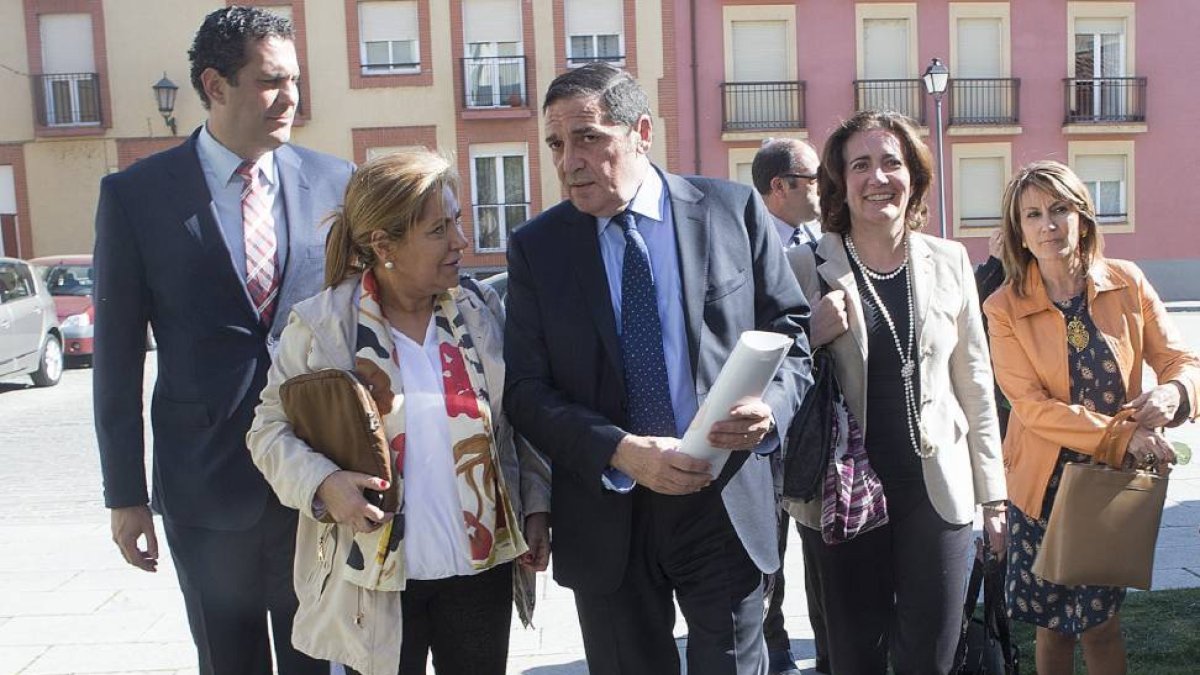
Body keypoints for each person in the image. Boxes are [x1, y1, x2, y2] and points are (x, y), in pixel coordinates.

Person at [503, 63, 812, 675]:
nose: (569, 161)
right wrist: (620, 450)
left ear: (641, 130)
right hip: (608, 510)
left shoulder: (732, 210)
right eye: (556, 144)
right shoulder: (538, 247)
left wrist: (769, 411)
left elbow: (792, 336)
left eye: (589, 137)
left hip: (721, 498)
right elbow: (528, 392)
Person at [92, 7, 353, 674]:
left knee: (316, 663)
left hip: (313, 484)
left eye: (294, 79)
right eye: (270, 81)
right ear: (214, 84)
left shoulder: (334, 183)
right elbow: (116, 359)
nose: (290, 97)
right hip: (204, 488)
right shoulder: (136, 196)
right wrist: (126, 495)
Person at [246, 150, 551, 675]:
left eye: (457, 221)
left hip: (481, 571)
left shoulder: (481, 315)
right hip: (378, 584)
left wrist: (536, 505)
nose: (460, 241)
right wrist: (323, 484)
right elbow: (267, 431)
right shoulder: (324, 328)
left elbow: (516, 424)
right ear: (385, 246)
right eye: (438, 229)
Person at [783, 109, 1007, 675]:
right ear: (839, 182)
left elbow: (976, 385)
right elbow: (769, 371)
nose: (877, 177)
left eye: (892, 163)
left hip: (937, 488)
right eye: (861, 165)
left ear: (915, 176)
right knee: (855, 658)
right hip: (843, 491)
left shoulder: (950, 259)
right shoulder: (804, 266)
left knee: (930, 657)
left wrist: (994, 498)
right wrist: (812, 333)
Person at [982, 160, 1199, 675]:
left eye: (1059, 209)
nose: (1047, 224)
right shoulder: (1003, 307)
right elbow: (1031, 407)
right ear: (1019, 231)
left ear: (1082, 216)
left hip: (1111, 486)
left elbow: (1181, 361)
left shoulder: (1126, 281)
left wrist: (1175, 392)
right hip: (1042, 490)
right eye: (1032, 214)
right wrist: (1123, 436)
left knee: (1103, 625)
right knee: (1052, 628)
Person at [751, 137, 828, 675]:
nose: (824, 188)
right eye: (814, 179)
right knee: (768, 547)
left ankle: (830, 649)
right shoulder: (744, 245)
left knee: (825, 542)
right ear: (781, 187)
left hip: (824, 423)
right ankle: (773, 646)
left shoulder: (824, 242)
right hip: (769, 423)